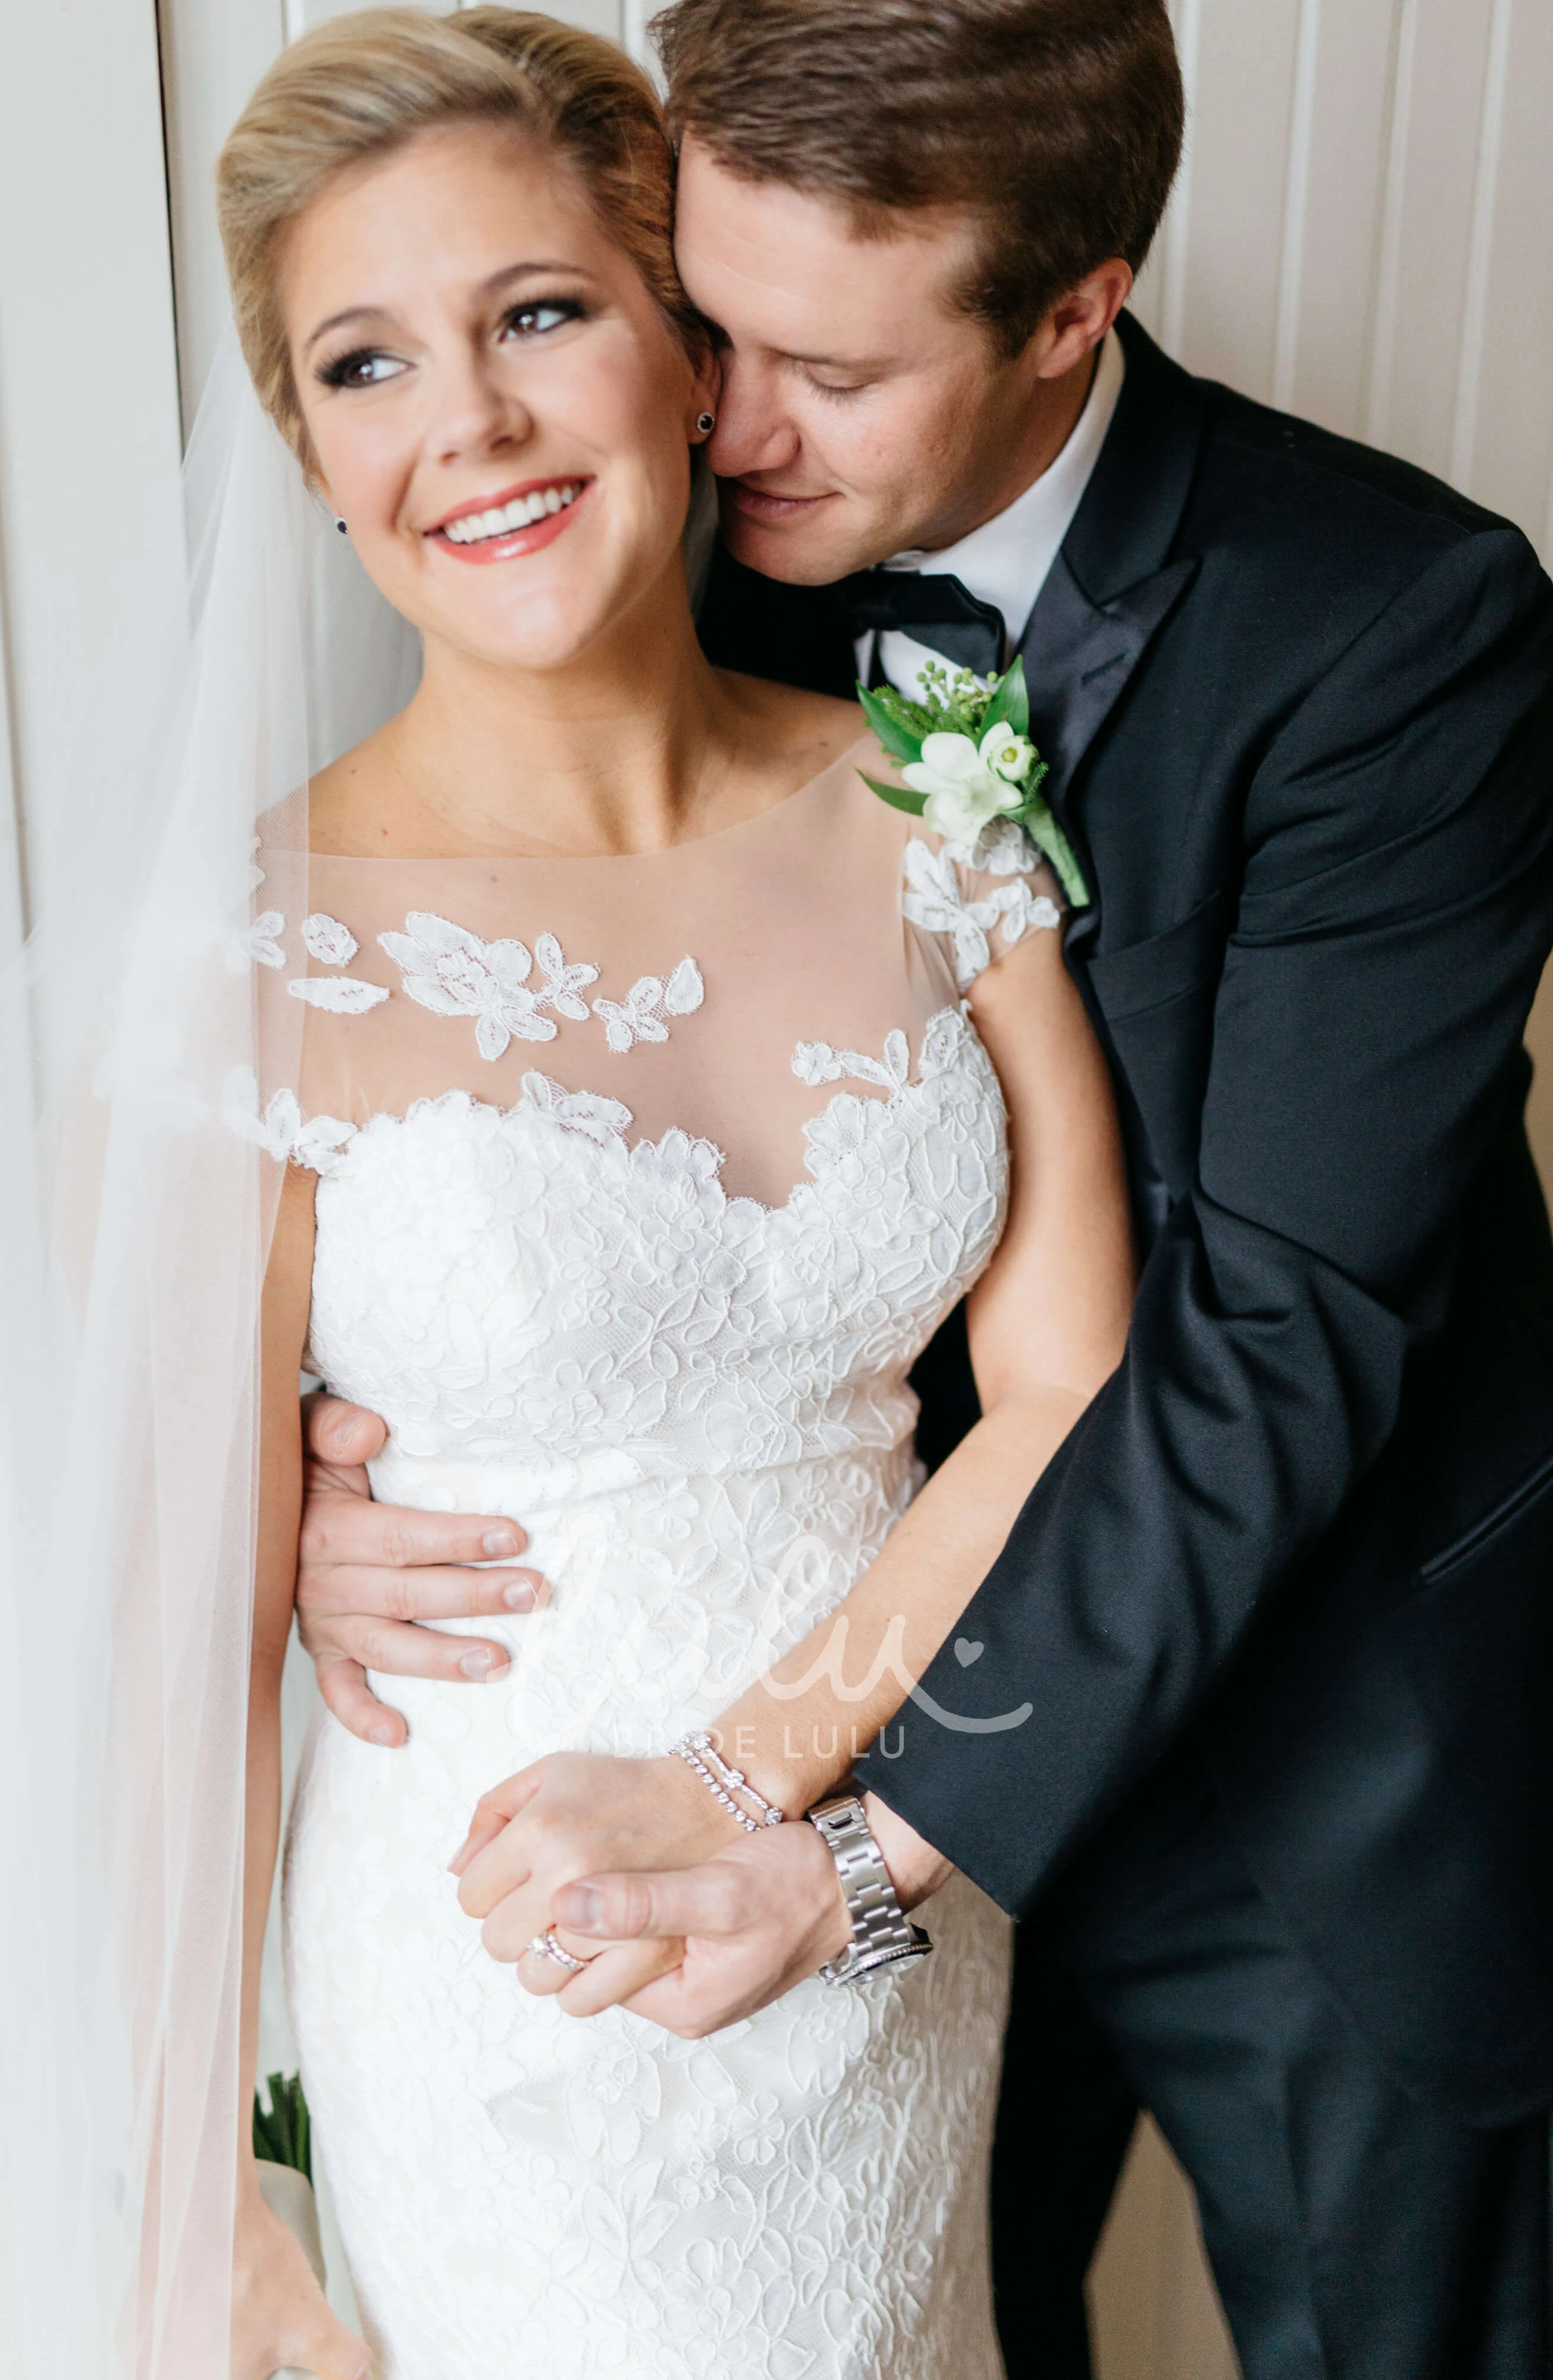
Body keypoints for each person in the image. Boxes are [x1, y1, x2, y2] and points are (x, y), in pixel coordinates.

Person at [299, 2, 1553, 2374]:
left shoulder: (1398, 623)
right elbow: (470, 1066)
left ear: (1074, 306)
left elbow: (1276, 1331)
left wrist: (798, 1818)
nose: (727, 422)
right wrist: (307, 1463)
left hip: (1316, 1756)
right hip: (825, 1692)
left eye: (831, 373)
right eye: (707, 326)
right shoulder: (666, 546)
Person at [221, 10, 1134, 2376]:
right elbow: (175, 1641)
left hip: (874, 1901)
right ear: (314, 454)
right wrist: (218, 2201)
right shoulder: (259, 943)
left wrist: (766, 1787)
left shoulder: (936, 774)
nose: (475, 426)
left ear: (683, 349)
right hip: (501, 1957)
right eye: (366, 365)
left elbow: (1067, 1375)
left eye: (537, 314)